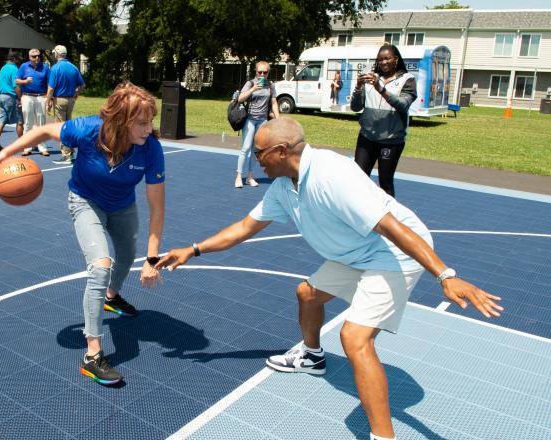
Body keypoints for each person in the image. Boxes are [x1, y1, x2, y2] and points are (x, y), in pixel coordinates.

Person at [156, 117, 503, 440]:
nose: (255, 158)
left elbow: (390, 226)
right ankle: (312, 356)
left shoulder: (333, 175)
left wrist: (445, 274)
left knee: (355, 338)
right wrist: (194, 249)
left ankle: (384, 437)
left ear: (281, 151)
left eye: (259, 153)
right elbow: (245, 229)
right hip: (355, 253)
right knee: (307, 294)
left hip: (391, 254)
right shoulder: (283, 186)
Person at [0, 83, 165, 386]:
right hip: (86, 202)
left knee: (126, 258)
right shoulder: (88, 130)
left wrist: (152, 258)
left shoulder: (150, 149)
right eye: (141, 122)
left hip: (124, 206)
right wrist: (8, 150)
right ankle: (92, 354)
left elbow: (157, 207)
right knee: (101, 267)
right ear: (120, 121)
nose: (149, 129)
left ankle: (111, 297)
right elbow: (45, 131)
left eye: (150, 120)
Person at [351, 44, 417, 197]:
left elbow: (402, 105)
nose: (383, 62)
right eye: (380, 59)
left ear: (396, 59)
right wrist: (359, 86)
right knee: (358, 179)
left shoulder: (407, 80)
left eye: (387, 58)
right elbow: (356, 107)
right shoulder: (372, 78)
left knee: (385, 182)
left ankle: (389, 216)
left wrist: (381, 89)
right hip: (367, 137)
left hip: (391, 140)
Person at [234, 61, 279, 189]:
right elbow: (240, 98)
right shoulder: (250, 83)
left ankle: (250, 177)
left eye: (265, 72)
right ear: (256, 72)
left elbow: (274, 102)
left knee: (256, 150)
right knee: (246, 147)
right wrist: (253, 89)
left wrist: (278, 119)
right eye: (260, 72)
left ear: (268, 73)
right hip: (249, 119)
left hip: (262, 121)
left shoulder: (270, 85)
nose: (262, 75)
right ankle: (238, 177)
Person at [46, 44, 85, 165]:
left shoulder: (55, 68)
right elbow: (82, 85)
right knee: (68, 126)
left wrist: (48, 101)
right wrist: (75, 95)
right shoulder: (73, 67)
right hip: (70, 100)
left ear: (57, 54)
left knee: (61, 127)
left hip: (60, 99)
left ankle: (66, 154)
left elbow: (51, 88)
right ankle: (71, 152)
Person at [16, 48, 50, 156]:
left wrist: (50, 99)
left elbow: (50, 83)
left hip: (41, 96)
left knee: (41, 122)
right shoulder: (24, 66)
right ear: (29, 57)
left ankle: (42, 147)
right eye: (34, 56)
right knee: (28, 123)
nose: (37, 58)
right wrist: (25, 81)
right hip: (27, 96)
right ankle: (27, 147)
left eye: (39, 56)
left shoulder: (45, 67)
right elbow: (17, 80)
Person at [0, 53, 23, 152]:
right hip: (10, 97)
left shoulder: (3, 68)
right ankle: (22, 143)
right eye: (18, 59)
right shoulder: (14, 69)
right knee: (19, 120)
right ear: (13, 59)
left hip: (1, 96)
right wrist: (20, 97)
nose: (19, 62)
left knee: (2, 119)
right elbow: (15, 85)